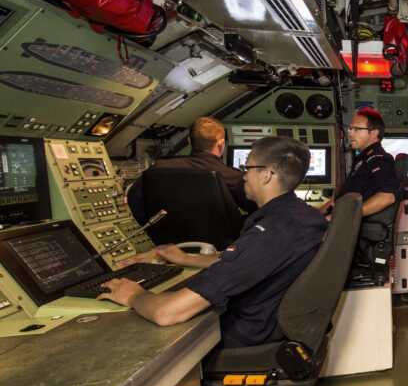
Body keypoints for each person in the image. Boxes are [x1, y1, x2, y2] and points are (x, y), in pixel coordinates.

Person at [100, 136, 329, 349]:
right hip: (271, 325)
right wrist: (185, 258)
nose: (244, 176)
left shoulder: (269, 233)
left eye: (247, 168)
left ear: (267, 175)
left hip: (243, 336)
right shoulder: (302, 216)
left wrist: (134, 295)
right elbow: (243, 260)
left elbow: (167, 313)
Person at [127, 116, 256, 223]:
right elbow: (257, 209)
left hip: (166, 245)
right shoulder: (233, 177)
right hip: (218, 248)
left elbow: (133, 200)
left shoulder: (158, 168)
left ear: (189, 140)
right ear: (221, 143)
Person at [322, 108, 400, 217]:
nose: (350, 133)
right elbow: (339, 200)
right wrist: (315, 215)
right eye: (351, 129)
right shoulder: (364, 159)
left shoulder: (380, 159)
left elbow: (387, 197)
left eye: (356, 129)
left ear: (373, 133)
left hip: (350, 225)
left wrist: (342, 218)